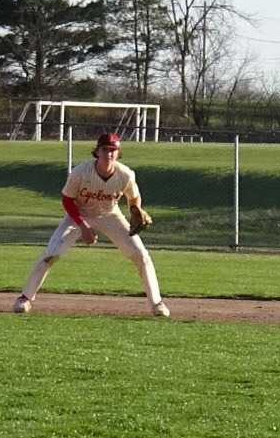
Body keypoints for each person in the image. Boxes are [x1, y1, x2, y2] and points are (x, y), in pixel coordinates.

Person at [14, 129, 168, 317]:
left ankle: (157, 304)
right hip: (78, 214)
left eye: (113, 150)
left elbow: (133, 198)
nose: (109, 154)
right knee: (52, 253)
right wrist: (83, 226)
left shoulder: (125, 175)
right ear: (97, 152)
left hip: (111, 214)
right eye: (105, 149)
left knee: (141, 255)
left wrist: (136, 210)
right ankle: (25, 298)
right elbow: (67, 200)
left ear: (118, 153)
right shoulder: (80, 172)